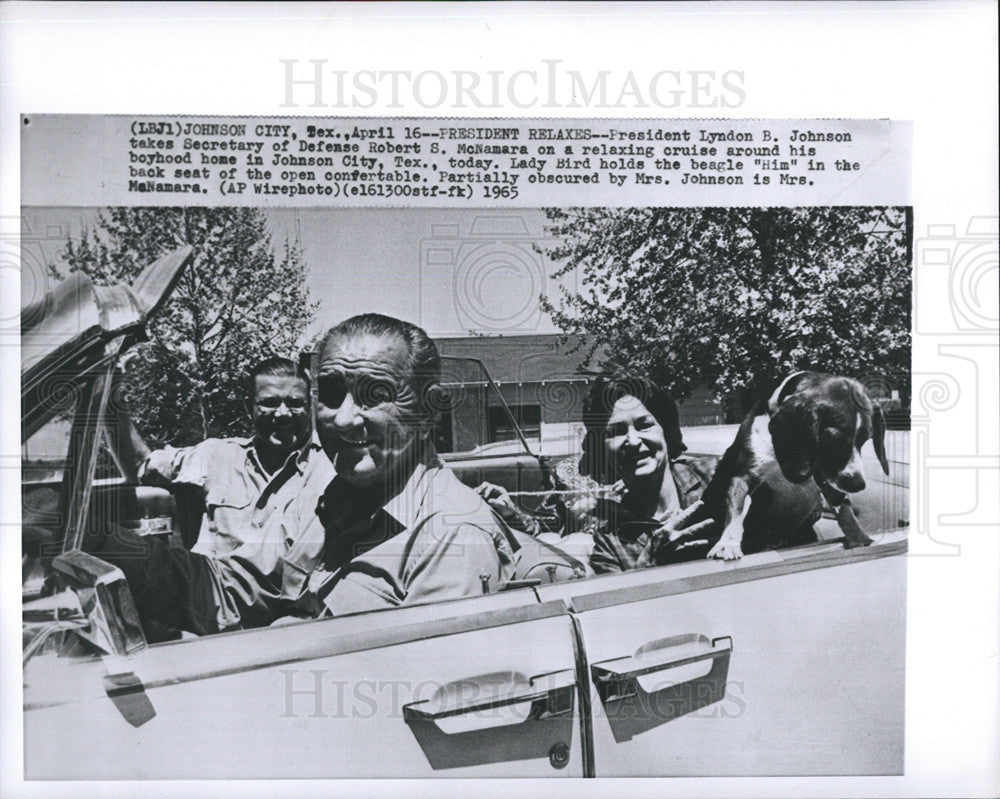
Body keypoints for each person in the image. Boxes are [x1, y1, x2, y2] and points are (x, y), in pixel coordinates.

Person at [309, 314, 516, 615]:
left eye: (375, 395)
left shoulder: (451, 535)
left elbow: (432, 660)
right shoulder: (338, 500)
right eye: (331, 393)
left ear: (428, 411)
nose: (343, 419)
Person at [112, 357, 335, 635]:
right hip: (203, 602)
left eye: (295, 403)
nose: (282, 413)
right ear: (249, 407)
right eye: (269, 402)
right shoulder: (217, 455)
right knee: (106, 545)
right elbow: (142, 464)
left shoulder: (334, 469)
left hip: (283, 624)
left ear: (310, 406)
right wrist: (112, 397)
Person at [579, 376, 720, 573]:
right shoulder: (610, 544)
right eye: (616, 431)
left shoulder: (716, 475)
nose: (633, 440)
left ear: (666, 429)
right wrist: (651, 558)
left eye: (644, 425)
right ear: (602, 450)